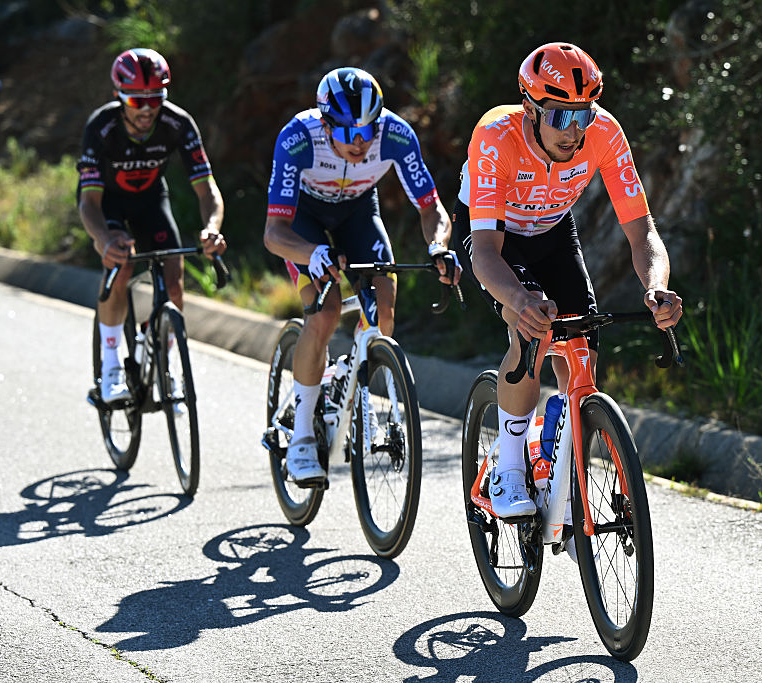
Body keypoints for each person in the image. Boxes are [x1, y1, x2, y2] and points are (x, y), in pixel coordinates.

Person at [451, 42, 683, 519]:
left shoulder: (604, 132)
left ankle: (562, 471)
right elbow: (486, 255)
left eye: (583, 114)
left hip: (553, 229)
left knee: (584, 343)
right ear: (530, 108)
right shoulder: (496, 136)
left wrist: (656, 286)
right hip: (493, 236)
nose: (574, 130)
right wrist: (520, 300)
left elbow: (642, 232)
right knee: (532, 329)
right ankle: (509, 468)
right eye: (560, 116)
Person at [263, 66, 460, 486]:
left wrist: (438, 246)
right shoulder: (298, 138)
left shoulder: (396, 134)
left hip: (357, 212)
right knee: (325, 312)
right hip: (302, 219)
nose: (359, 141)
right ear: (325, 124)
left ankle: (351, 380)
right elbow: (274, 234)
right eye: (348, 131)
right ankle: (302, 436)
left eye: (368, 129)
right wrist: (312, 253)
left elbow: (431, 208)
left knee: (383, 310)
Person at [77, 48, 226, 403]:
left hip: (150, 200)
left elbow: (208, 191)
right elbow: (88, 204)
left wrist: (212, 227)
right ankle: (110, 367)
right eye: (136, 100)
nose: (146, 109)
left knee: (174, 281)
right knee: (121, 264)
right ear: (118, 95)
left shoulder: (178, 123)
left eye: (155, 99)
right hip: (106, 203)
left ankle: (163, 359)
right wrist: (103, 239)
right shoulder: (101, 127)